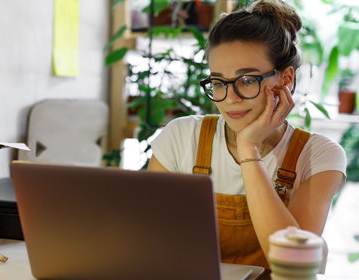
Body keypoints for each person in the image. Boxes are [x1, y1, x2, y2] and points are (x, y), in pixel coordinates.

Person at [148, 0, 346, 268]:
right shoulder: (182, 136)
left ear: (286, 79)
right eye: (218, 82)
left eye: (247, 80)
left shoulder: (319, 155)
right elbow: (146, 238)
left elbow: (295, 263)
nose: (230, 98)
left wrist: (249, 150)